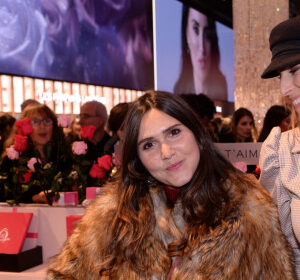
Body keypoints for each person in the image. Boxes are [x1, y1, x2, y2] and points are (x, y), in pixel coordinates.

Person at [47, 91, 294, 279]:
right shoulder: (114, 213)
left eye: (174, 133)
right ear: (137, 158)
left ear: (197, 132)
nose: (166, 152)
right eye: (149, 145)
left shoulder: (251, 209)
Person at [259, 15, 300, 278]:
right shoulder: (283, 151)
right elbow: (286, 256)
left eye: (295, 71)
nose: (285, 88)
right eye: (280, 77)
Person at [1, 103, 63, 203]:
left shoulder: (63, 156)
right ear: (23, 127)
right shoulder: (12, 159)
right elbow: (4, 197)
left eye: (47, 121)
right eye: (35, 121)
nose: (42, 126)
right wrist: (35, 198)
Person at [174, 5, 228, 101]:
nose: (202, 48)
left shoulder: (222, 86)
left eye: (207, 34)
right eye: (195, 29)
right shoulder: (179, 90)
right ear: (186, 34)